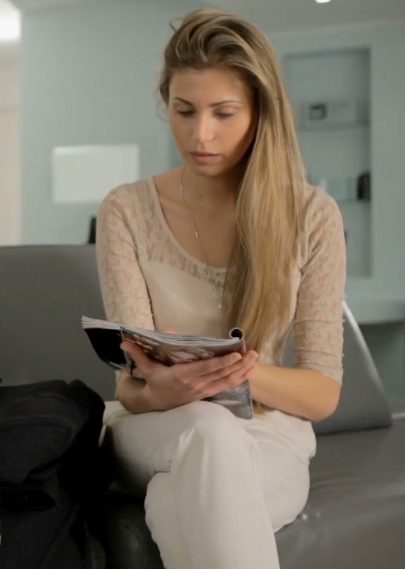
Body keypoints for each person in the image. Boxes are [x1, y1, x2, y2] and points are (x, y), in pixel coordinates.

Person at [95, 9, 345, 569]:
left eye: (223, 114)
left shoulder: (312, 215)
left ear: (261, 113)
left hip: (267, 437)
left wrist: (235, 373)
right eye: (184, 111)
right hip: (157, 428)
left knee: (181, 496)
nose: (200, 134)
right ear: (168, 106)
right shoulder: (126, 210)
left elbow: (322, 393)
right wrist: (169, 389)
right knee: (208, 430)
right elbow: (132, 388)